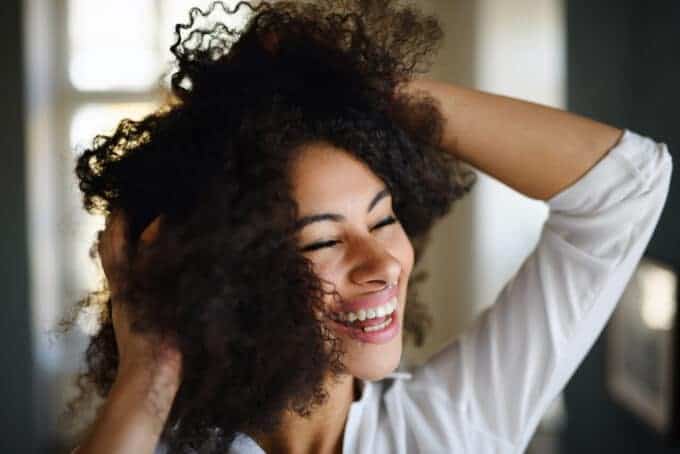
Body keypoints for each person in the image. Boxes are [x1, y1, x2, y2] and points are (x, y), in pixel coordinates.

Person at [67, 1, 674, 453]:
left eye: (383, 219)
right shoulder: (148, 439)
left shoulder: (458, 424)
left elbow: (626, 185)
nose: (383, 264)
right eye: (323, 239)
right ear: (234, 276)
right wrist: (148, 370)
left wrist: (362, 89)